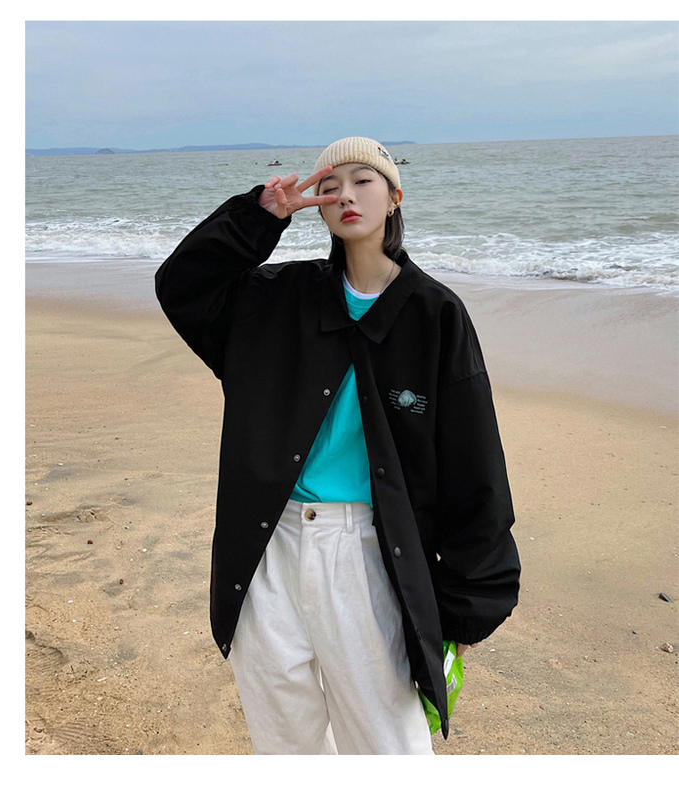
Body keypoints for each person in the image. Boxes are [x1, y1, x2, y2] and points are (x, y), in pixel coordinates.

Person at [155, 136, 521, 755]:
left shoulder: (434, 314)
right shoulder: (277, 298)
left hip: (366, 550)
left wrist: (471, 599)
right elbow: (183, 286)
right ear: (318, 205)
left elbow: (473, 461)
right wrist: (257, 219)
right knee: (284, 738)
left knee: (386, 743)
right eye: (330, 186)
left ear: (395, 196)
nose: (346, 195)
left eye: (363, 181)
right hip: (269, 543)